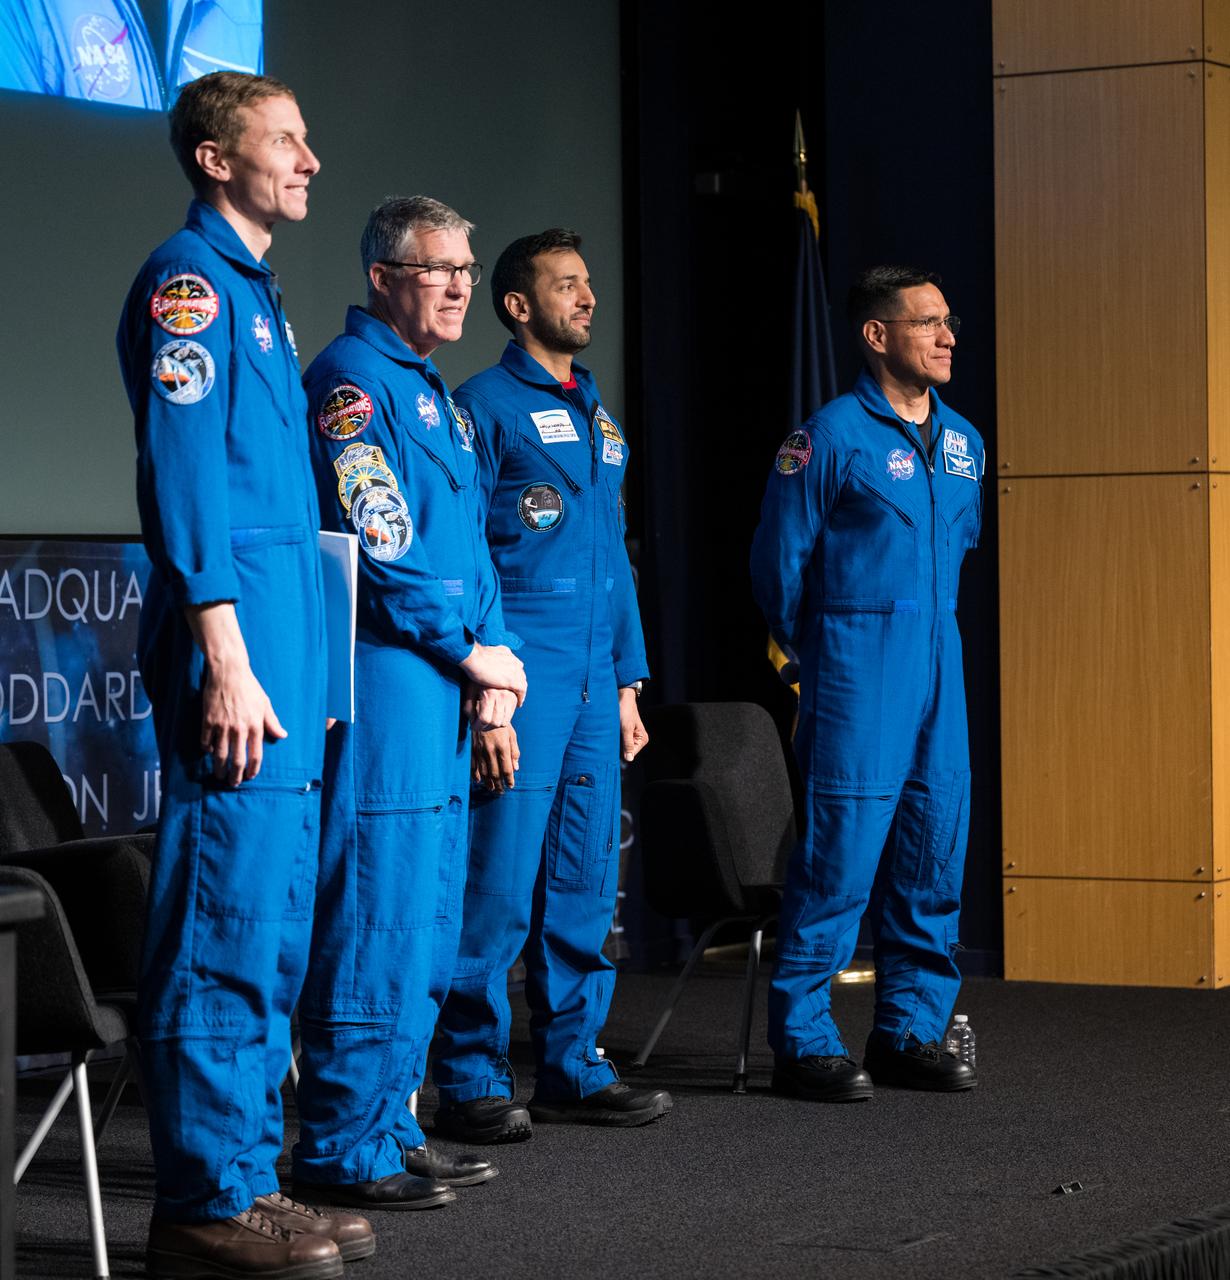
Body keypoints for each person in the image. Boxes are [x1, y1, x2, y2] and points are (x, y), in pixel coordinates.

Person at [117, 72, 371, 1276]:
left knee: (270, 925)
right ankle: (200, 1205)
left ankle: (249, 1178)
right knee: (223, 917)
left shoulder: (256, 296)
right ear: (218, 159)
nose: (311, 158)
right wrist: (225, 655)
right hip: (238, 662)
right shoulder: (190, 286)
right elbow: (186, 485)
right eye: (287, 139)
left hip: (283, 658)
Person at [290, 197, 527, 1207]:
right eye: (442, 269)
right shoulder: (351, 383)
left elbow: (470, 545)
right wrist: (468, 650)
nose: (463, 285)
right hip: (390, 672)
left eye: (469, 268)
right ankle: (343, 1140)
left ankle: (392, 1116)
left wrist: (495, 657)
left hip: (448, 676)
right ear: (386, 277)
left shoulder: (432, 393)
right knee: (378, 911)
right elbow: (381, 542)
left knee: (429, 913)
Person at [431, 229, 671, 1142]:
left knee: (579, 883)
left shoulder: (598, 413)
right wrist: (482, 690)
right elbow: (461, 556)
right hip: (520, 680)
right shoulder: (482, 406)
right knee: (495, 889)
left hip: (592, 682)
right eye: (566, 285)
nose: (589, 297)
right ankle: (472, 1077)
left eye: (589, 282)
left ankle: (573, 1063)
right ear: (517, 306)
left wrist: (627, 684)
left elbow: (612, 561)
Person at [750, 265, 983, 1102]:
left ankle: (910, 1030)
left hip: (938, 664)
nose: (949, 336)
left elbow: (957, 553)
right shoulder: (830, 437)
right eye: (928, 322)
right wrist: (816, 651)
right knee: (839, 855)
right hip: (854, 663)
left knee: (933, 843)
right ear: (877, 335)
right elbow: (778, 567)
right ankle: (806, 1038)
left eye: (949, 321)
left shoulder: (963, 443)